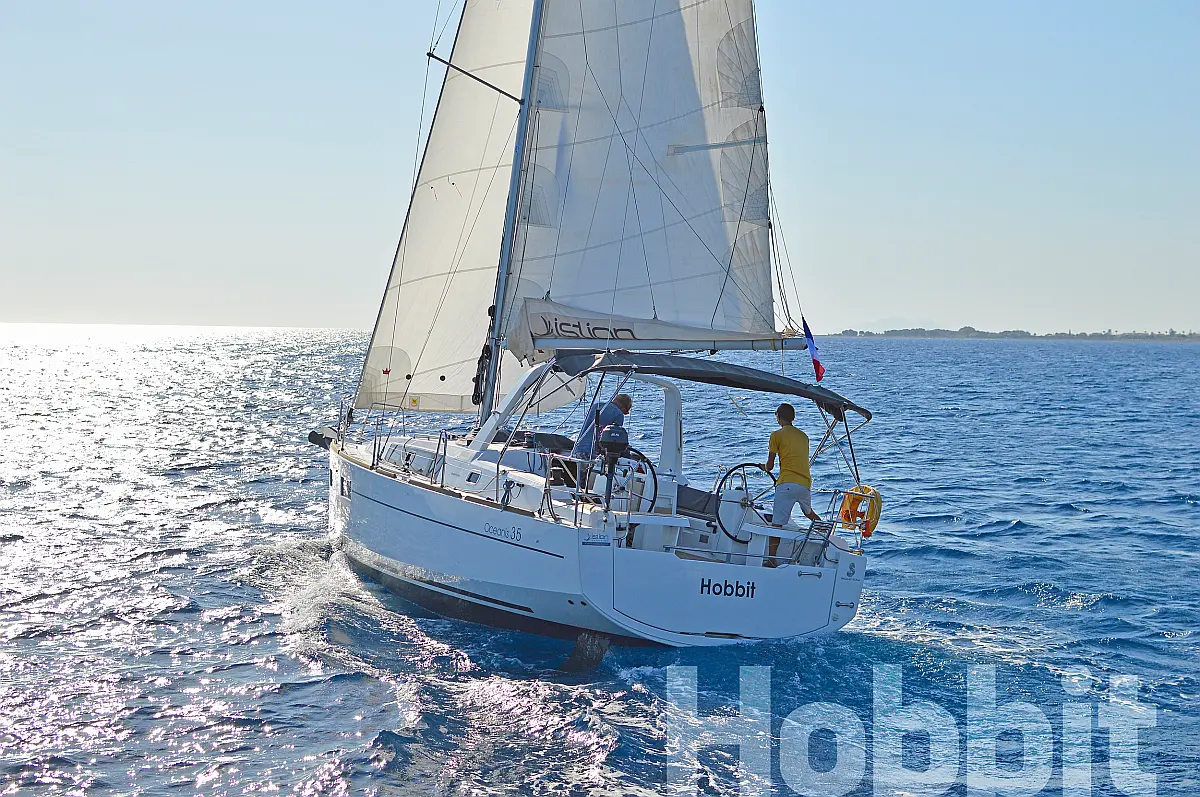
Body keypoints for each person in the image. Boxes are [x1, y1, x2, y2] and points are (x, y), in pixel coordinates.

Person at [763, 403, 821, 527]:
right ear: (793, 418)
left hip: (787, 483)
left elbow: (770, 466)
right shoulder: (804, 436)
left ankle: (773, 542)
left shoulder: (776, 435)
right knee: (809, 513)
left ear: (778, 417)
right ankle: (825, 532)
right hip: (804, 485)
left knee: (776, 526)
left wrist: (764, 467)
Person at [571, 393, 633, 460]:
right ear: (622, 406)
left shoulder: (596, 406)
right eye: (626, 411)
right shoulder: (618, 414)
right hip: (594, 453)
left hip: (578, 449)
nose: (624, 413)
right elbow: (615, 439)